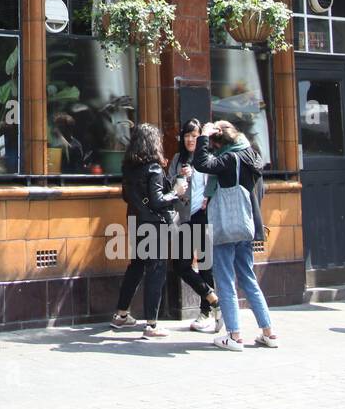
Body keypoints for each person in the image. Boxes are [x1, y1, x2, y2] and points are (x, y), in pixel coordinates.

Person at [193, 120, 279, 351]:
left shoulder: (230, 159)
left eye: (213, 144)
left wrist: (203, 135)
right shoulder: (251, 155)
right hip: (246, 226)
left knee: (225, 281)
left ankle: (234, 335)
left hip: (227, 226)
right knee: (248, 278)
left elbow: (201, 163)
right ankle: (268, 332)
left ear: (220, 142)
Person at [111, 122, 180, 338]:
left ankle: (121, 315)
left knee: (137, 266)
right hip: (154, 226)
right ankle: (151, 324)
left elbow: (126, 196)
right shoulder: (154, 168)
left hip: (136, 221)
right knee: (156, 270)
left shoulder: (128, 168)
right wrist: (176, 191)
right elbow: (158, 201)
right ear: (153, 143)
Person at [170, 119, 221, 333]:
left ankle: (206, 312)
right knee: (181, 264)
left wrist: (209, 196)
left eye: (194, 135)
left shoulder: (208, 157)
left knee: (205, 263)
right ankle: (212, 297)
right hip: (183, 217)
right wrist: (179, 177)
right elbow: (167, 183)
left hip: (203, 214)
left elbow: (217, 180)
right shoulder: (177, 159)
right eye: (187, 135)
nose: (190, 139)